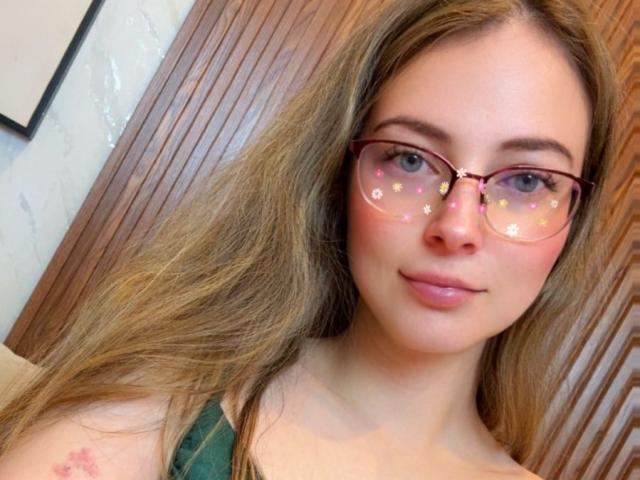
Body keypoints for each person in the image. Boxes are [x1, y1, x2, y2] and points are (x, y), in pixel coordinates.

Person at [0, 0, 619, 479]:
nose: (456, 227)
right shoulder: (149, 423)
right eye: (409, 160)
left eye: (528, 180)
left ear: (574, 216)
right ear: (338, 175)